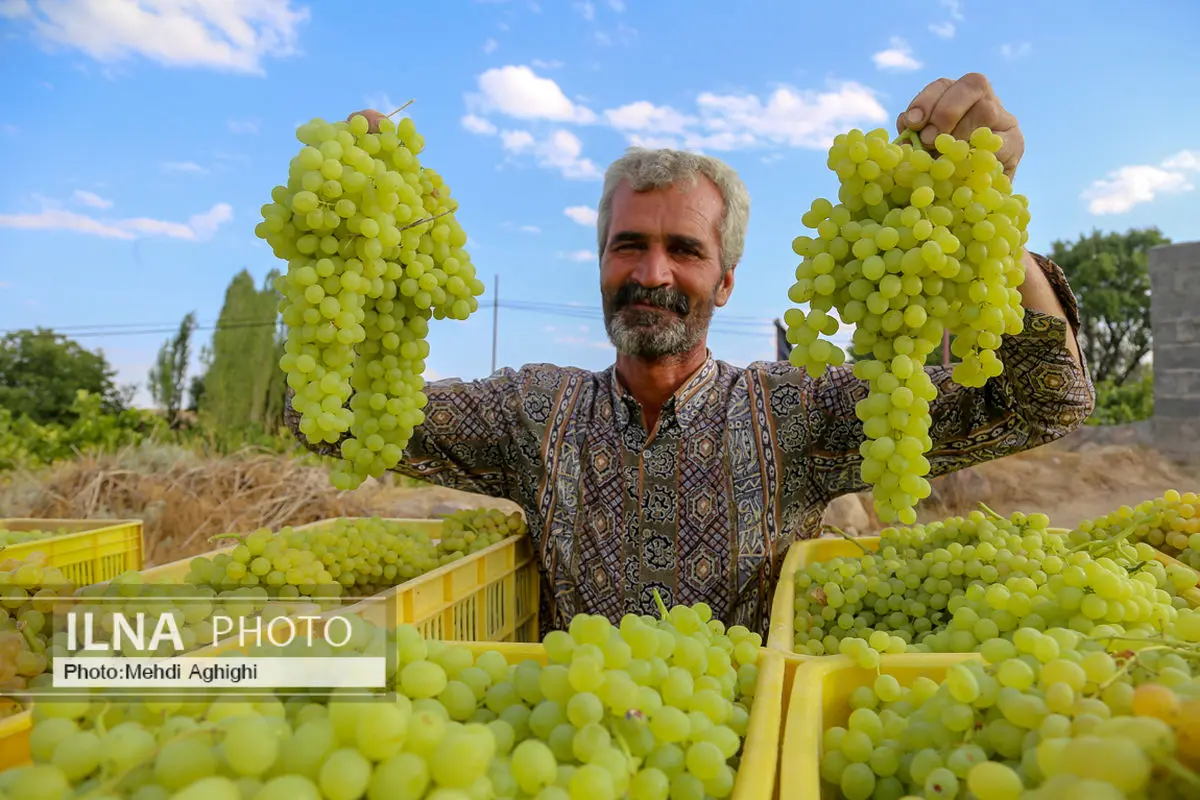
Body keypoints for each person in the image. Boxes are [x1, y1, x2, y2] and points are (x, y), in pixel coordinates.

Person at [285, 73, 1095, 637]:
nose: (652, 273)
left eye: (684, 249)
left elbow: (1044, 401)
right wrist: (353, 235)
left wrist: (994, 221)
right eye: (627, 246)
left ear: (727, 280)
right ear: (599, 262)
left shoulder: (797, 409)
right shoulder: (527, 410)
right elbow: (331, 424)